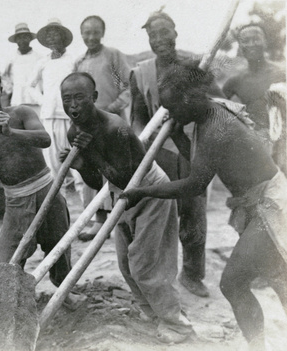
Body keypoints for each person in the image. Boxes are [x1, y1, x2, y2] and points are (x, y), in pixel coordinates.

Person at [121, 63, 287, 351]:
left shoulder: (216, 126)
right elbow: (204, 162)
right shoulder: (208, 115)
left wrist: (142, 192)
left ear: (190, 99)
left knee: (233, 283)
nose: (170, 114)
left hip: (270, 203)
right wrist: (177, 136)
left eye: (172, 107)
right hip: (258, 203)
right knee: (277, 277)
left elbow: (194, 184)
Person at [60, 72, 193, 342]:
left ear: (94, 98)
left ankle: (176, 324)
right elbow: (98, 181)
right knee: (125, 263)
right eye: (67, 99)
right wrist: (81, 164)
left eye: (79, 98)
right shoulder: (75, 130)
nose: (73, 106)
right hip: (121, 195)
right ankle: (152, 313)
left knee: (147, 264)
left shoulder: (114, 127)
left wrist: (91, 154)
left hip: (148, 191)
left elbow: (126, 177)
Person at [0, 65, 86, 309]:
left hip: (47, 192)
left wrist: (10, 132)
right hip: (16, 201)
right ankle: (14, 302)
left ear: (2, 90)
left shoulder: (20, 113)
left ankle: (64, 294)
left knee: (59, 251)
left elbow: (44, 139)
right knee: (5, 264)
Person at [129, 10, 209, 297]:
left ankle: (192, 274)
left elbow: (210, 105)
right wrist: (146, 147)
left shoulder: (194, 65)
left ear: (175, 33)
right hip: (157, 151)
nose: (160, 39)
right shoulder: (140, 73)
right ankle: (161, 278)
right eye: (153, 35)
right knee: (160, 217)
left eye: (165, 32)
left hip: (191, 148)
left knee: (193, 214)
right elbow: (138, 117)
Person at [73, 15, 131, 239]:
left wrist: (113, 108)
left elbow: (126, 86)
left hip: (113, 123)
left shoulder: (113, 56)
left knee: (116, 170)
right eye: (86, 32)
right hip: (89, 125)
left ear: (103, 33)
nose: (91, 37)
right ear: (81, 34)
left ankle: (120, 221)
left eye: (95, 32)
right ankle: (99, 221)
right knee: (91, 171)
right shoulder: (80, 62)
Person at [30, 18, 85, 201]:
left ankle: (92, 217)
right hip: (48, 117)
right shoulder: (42, 62)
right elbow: (31, 86)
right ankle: (59, 216)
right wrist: (43, 100)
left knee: (78, 167)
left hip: (71, 118)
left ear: (63, 37)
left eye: (56, 34)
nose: (53, 38)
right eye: (49, 35)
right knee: (54, 169)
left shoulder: (73, 60)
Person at [222, 24, 286, 159]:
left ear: (265, 42)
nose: (251, 44)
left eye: (256, 39)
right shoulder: (236, 80)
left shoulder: (282, 73)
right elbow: (215, 107)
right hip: (256, 146)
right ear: (240, 46)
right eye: (245, 41)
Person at [2, 23, 42, 113]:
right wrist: (10, 91)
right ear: (16, 40)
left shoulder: (39, 58)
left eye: (25, 37)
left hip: (35, 103)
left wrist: (41, 96)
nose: (22, 40)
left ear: (30, 39)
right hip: (17, 101)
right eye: (19, 38)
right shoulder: (11, 59)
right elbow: (5, 78)